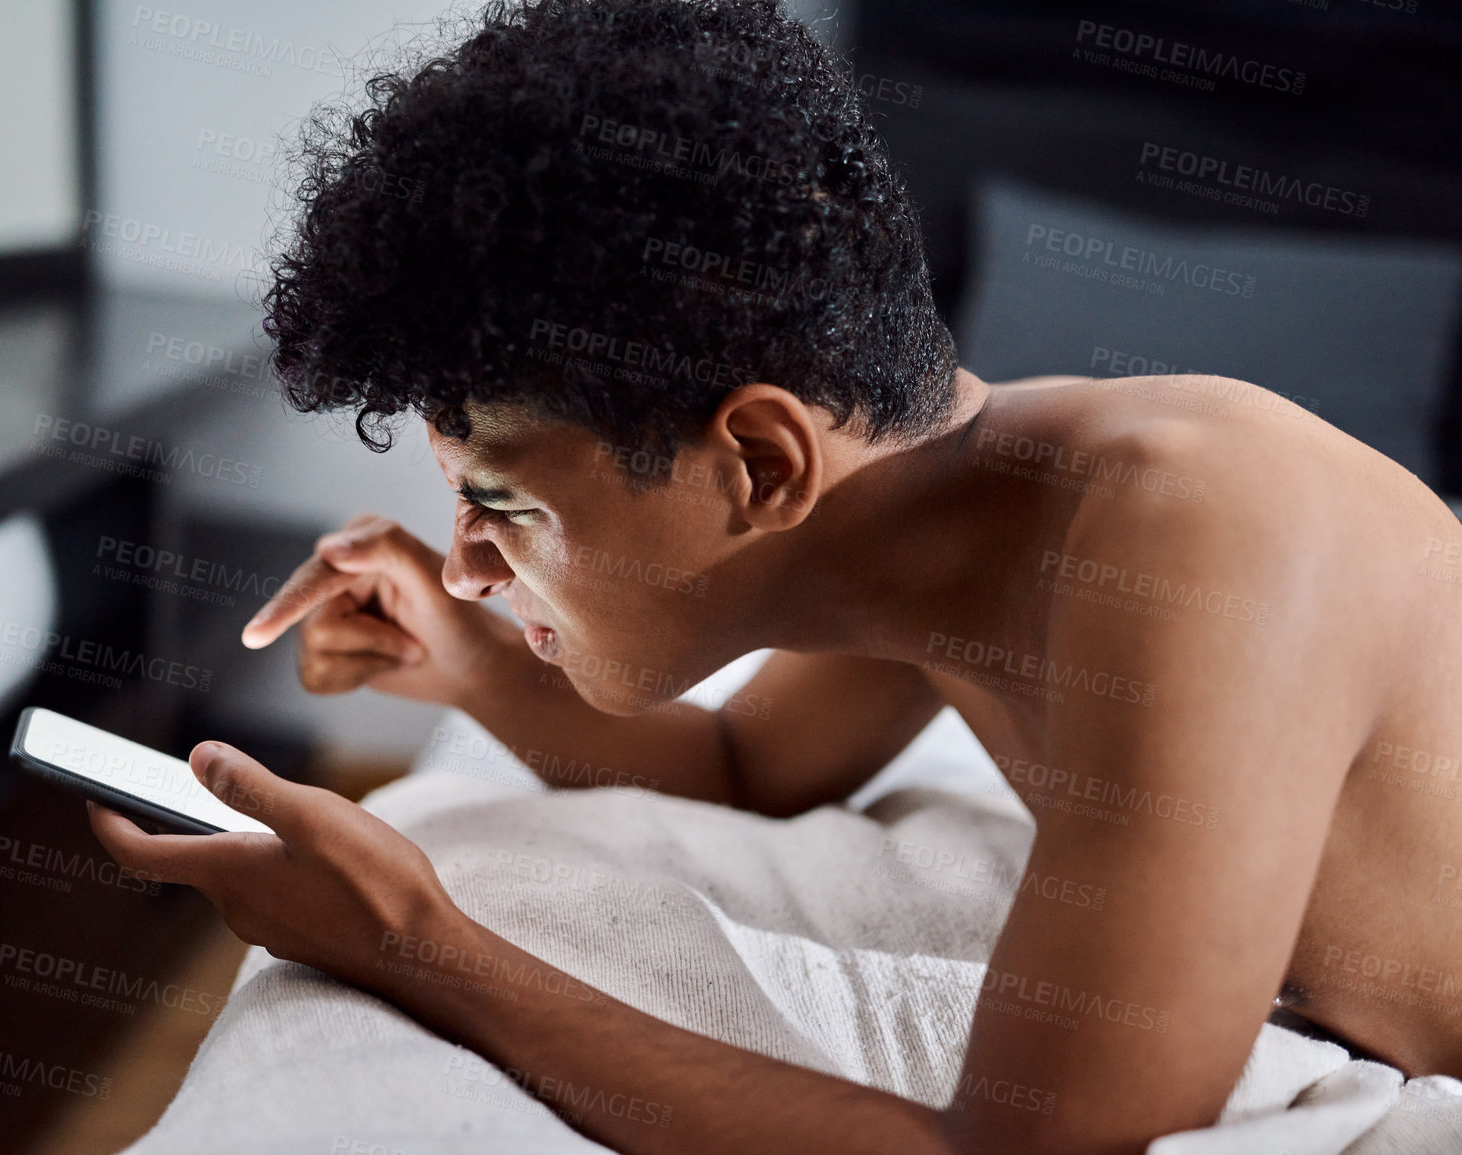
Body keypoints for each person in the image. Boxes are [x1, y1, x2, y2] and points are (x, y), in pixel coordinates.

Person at [86, 1, 1462, 1150]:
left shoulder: (1191, 538)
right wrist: (473, 662)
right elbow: (751, 772)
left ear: (756, 463)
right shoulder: (949, 528)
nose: (469, 562)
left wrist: (416, 943)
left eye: (500, 504)